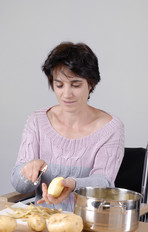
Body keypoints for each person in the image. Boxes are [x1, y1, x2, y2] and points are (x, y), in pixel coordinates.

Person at [11, 42, 124, 212]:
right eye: (59, 85)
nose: (66, 94)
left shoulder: (110, 128)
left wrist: (73, 184)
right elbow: (20, 186)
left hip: (89, 226)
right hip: (43, 226)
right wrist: (29, 172)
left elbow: (104, 183)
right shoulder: (36, 121)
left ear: (91, 84)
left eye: (76, 85)